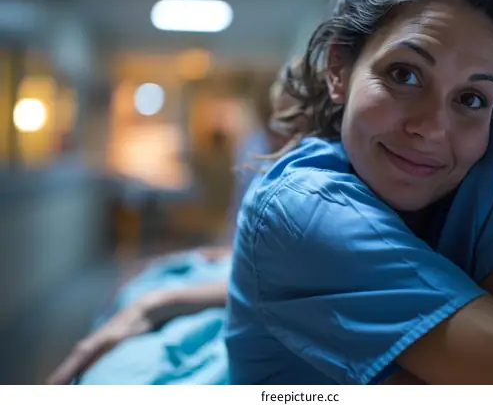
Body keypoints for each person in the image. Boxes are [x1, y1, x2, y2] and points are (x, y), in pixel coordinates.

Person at [225, 0, 493, 385]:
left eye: (471, 98)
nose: (432, 127)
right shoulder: (302, 207)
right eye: (404, 74)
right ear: (339, 70)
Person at [46, 63, 303, 385]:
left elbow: (277, 271)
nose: (276, 135)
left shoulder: (308, 178)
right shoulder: (256, 147)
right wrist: (216, 251)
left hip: (248, 280)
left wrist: (153, 305)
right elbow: (244, 226)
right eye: (272, 125)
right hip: (236, 261)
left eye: (289, 125)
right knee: (143, 278)